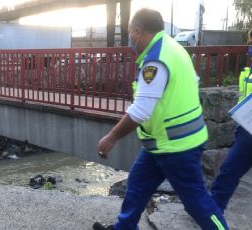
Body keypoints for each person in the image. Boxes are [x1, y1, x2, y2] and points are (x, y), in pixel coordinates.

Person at [93, 8, 228, 230]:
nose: (130, 40)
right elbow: (190, 84)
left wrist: (111, 137)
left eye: (130, 34)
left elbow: (140, 111)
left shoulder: (155, 61)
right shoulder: (172, 46)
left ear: (137, 31)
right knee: (137, 184)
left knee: (197, 203)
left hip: (176, 146)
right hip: (161, 142)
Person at [210, 29, 252, 213]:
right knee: (229, 170)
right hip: (246, 131)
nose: (249, 47)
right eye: (250, 43)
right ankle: (212, 212)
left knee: (229, 170)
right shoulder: (248, 71)